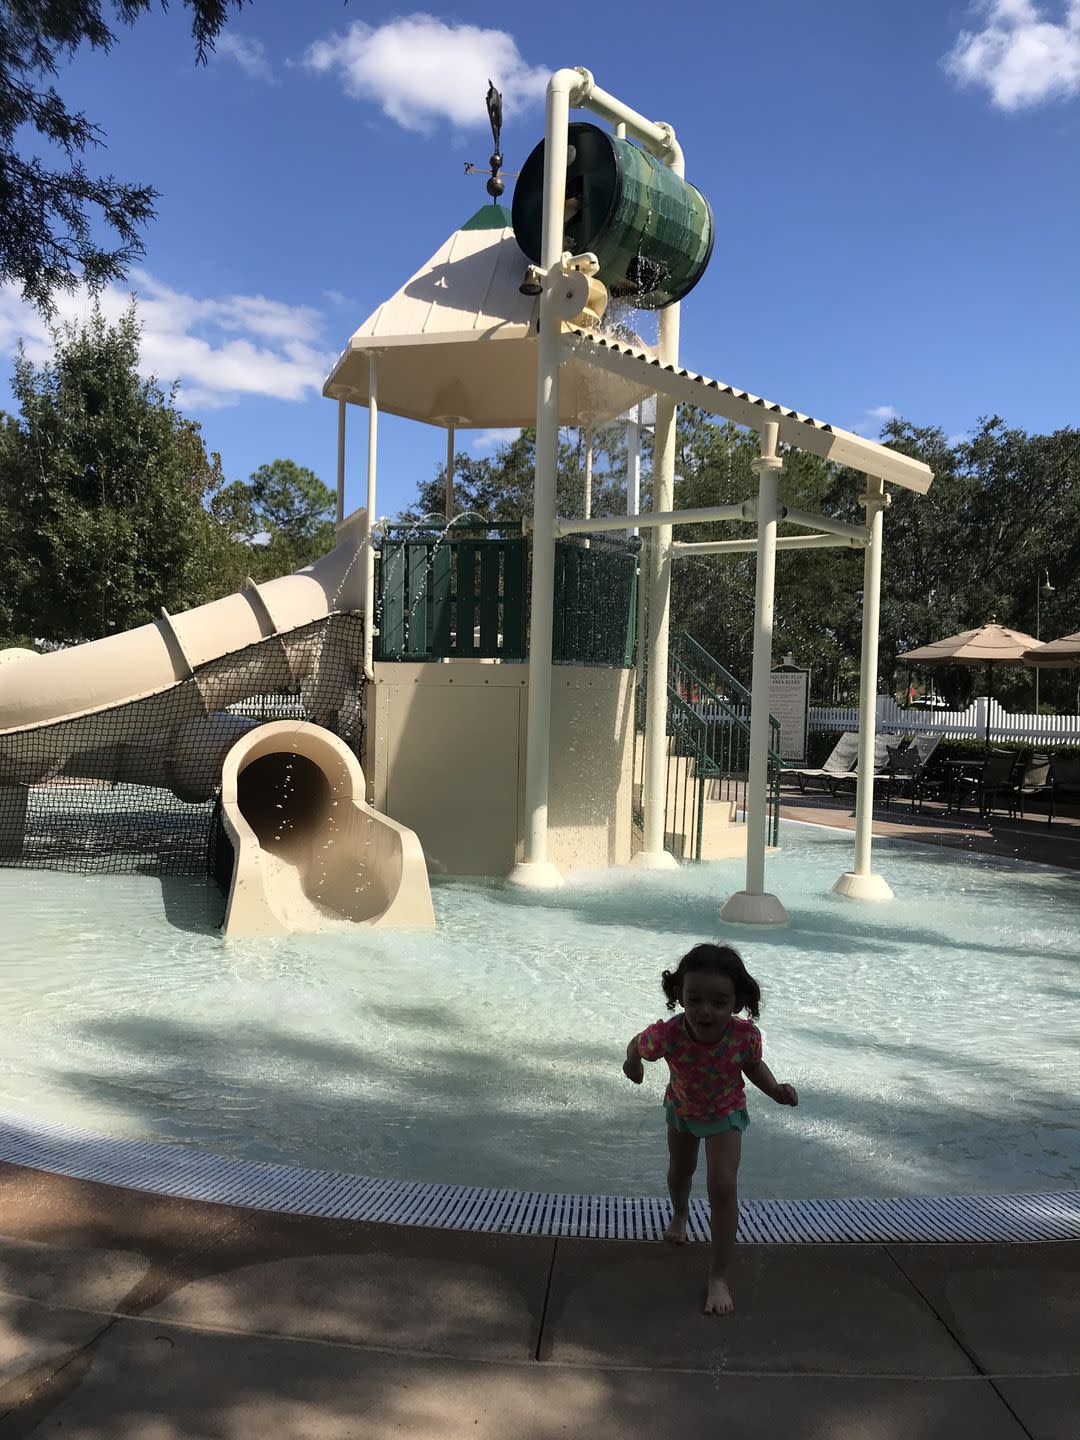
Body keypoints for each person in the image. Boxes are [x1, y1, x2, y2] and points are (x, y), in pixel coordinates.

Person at [622, 942, 798, 1316]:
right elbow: (637, 1045)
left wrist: (775, 1090)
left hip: (725, 1112)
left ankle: (718, 1276)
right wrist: (632, 1064)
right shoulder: (668, 1034)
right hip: (684, 1110)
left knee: (722, 1184)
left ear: (735, 1003)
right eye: (695, 998)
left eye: (718, 1002)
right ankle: (680, 1213)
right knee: (680, 1171)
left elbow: (752, 1067)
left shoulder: (742, 1036)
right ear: (680, 995)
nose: (705, 1010)